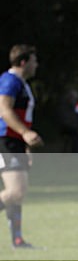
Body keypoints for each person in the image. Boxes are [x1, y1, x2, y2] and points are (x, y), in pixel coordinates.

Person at [0, 44, 43, 248]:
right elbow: (4, 110)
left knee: (19, 192)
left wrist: (26, 146)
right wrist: (25, 133)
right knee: (15, 191)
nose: (37, 65)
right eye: (34, 61)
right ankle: (17, 239)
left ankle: (17, 239)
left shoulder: (22, 83)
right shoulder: (9, 80)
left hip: (15, 142)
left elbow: (22, 117)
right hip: (5, 141)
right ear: (24, 62)